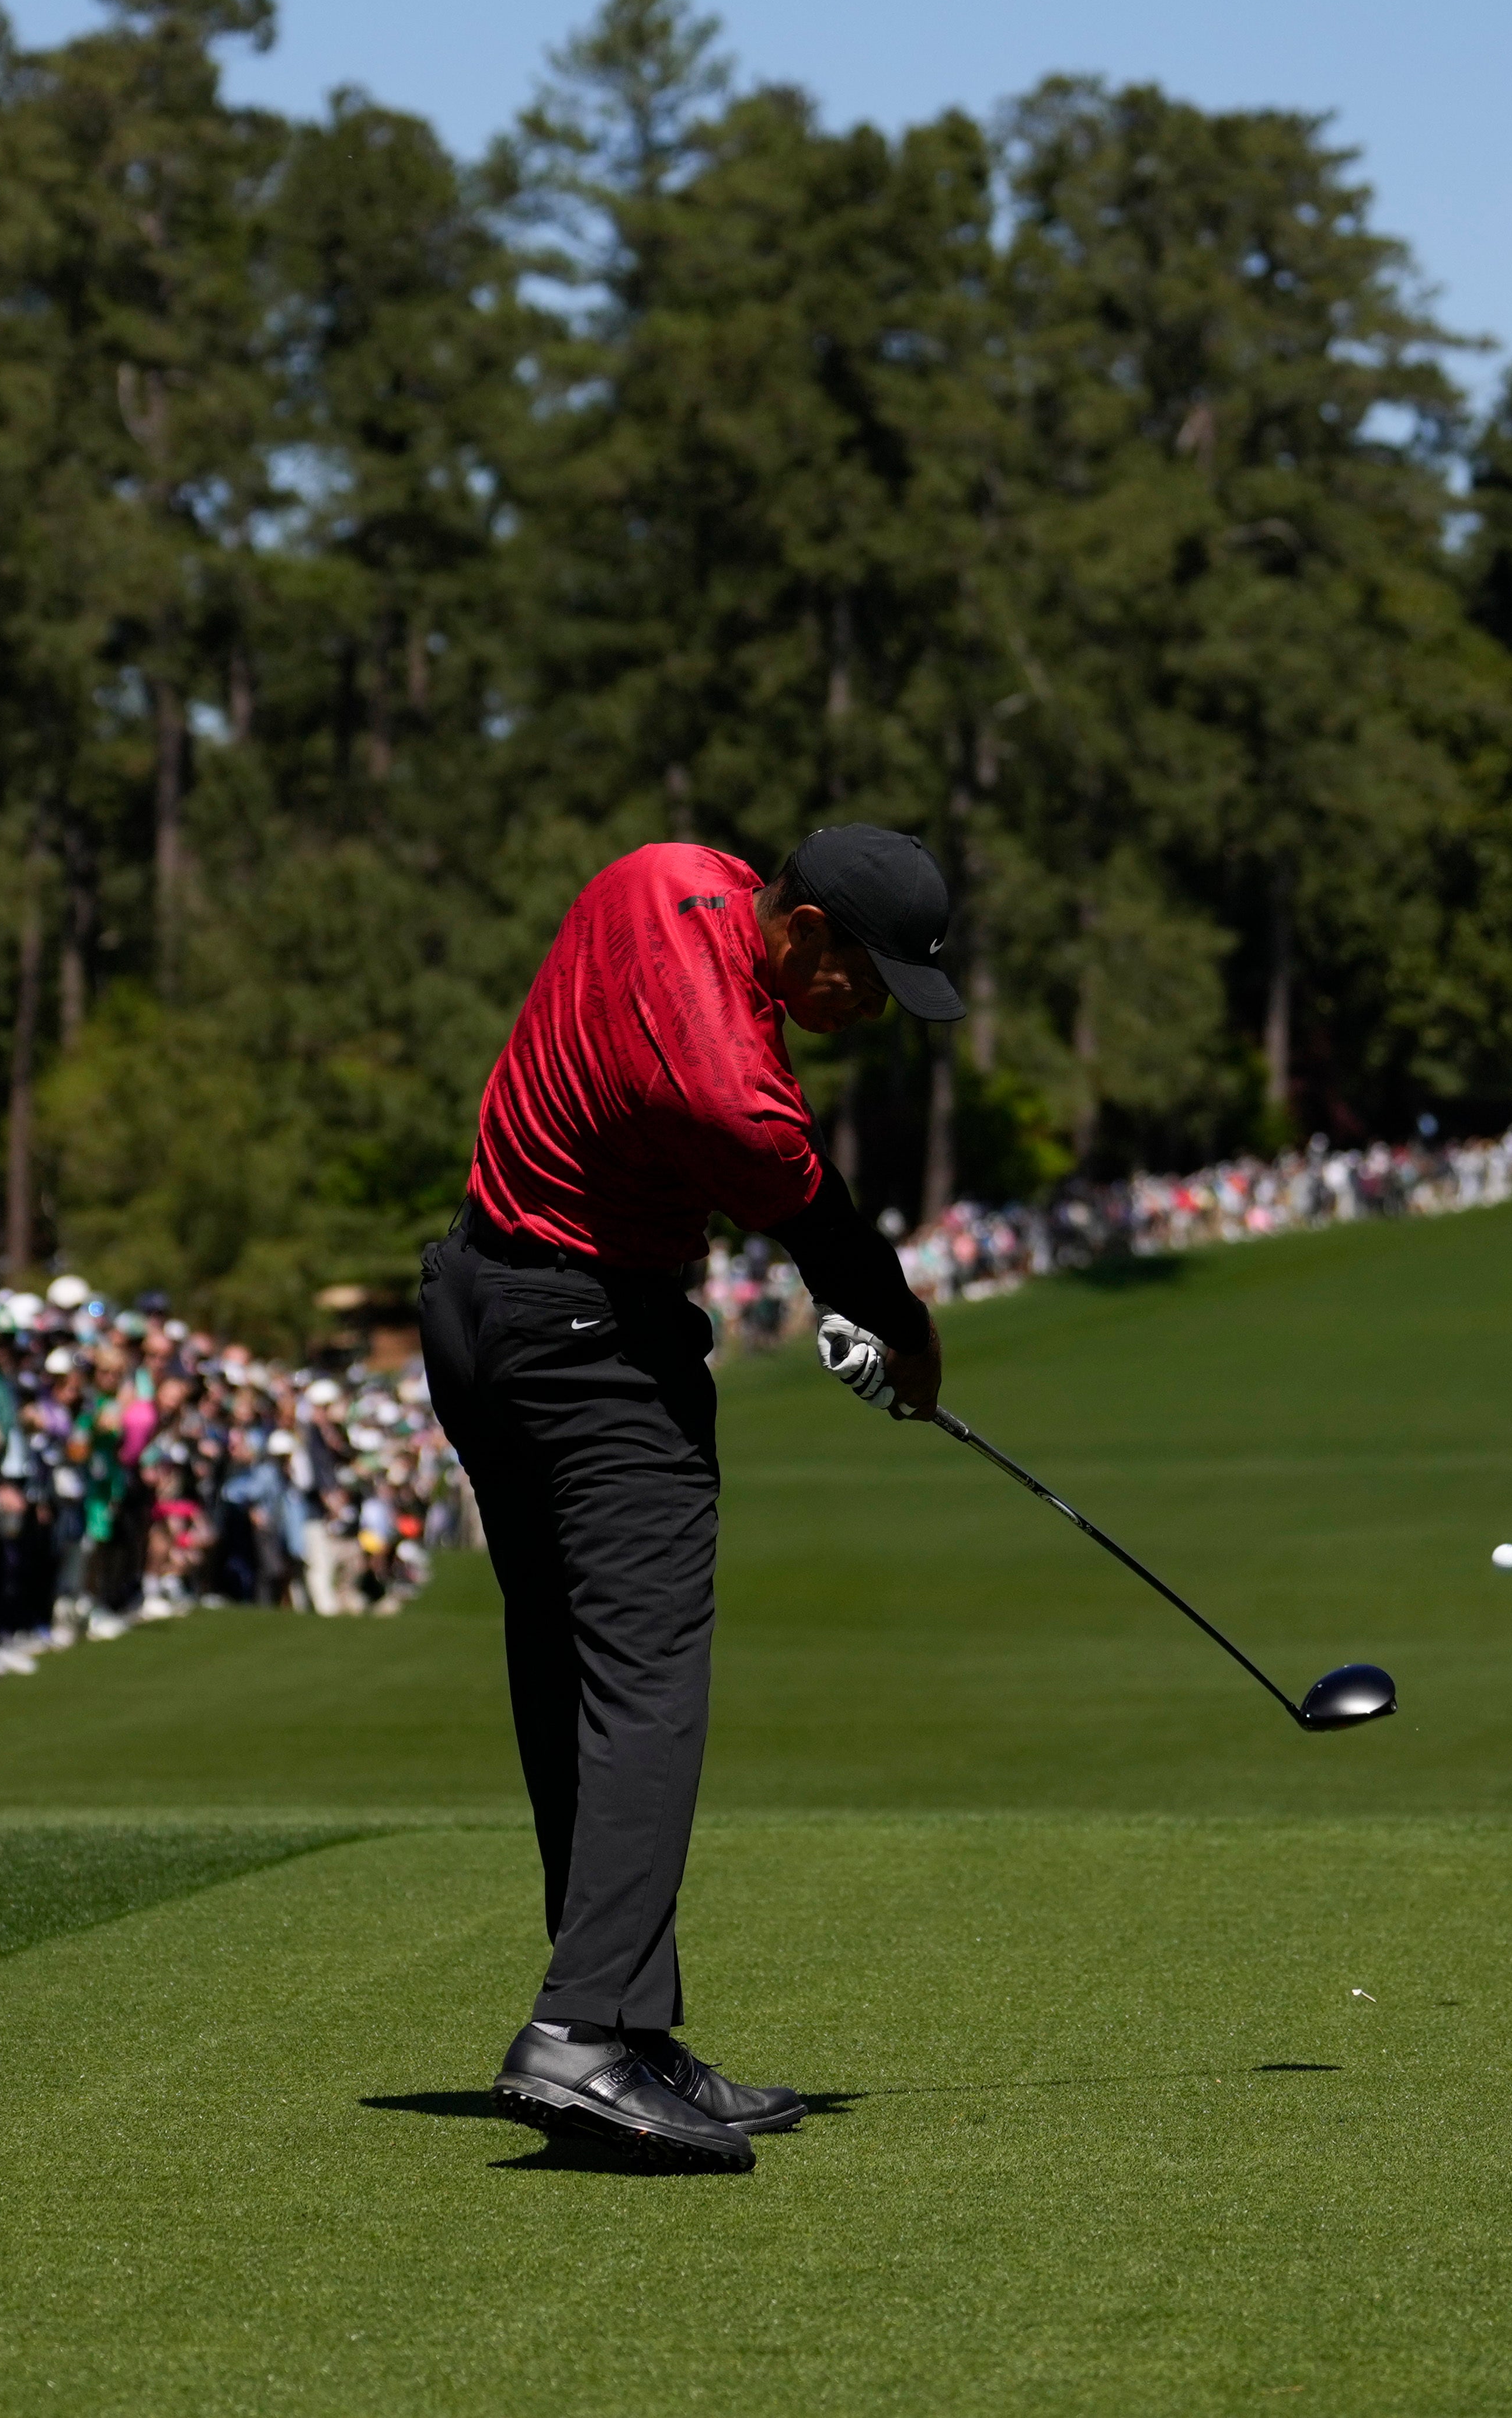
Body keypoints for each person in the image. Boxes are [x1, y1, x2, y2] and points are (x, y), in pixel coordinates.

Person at [421, 826, 956, 2171]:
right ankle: (582, 2035)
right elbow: (828, 1232)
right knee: (649, 1677)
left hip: (474, 1307)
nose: (869, 1005)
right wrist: (905, 1330)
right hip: (594, 1349)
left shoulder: (660, 873)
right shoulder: (743, 1088)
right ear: (810, 925)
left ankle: (629, 2029)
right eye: (866, 974)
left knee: (566, 1670)